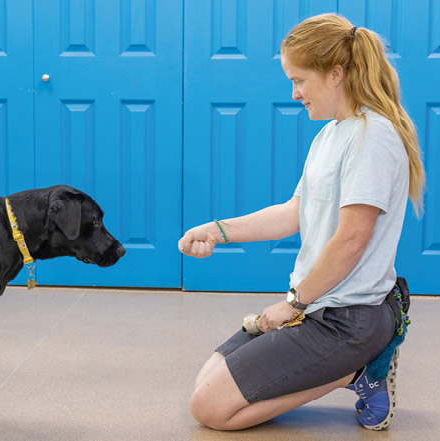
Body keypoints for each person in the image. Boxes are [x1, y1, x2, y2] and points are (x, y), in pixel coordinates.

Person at [178, 13, 425, 431]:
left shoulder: (374, 137)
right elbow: (294, 212)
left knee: (210, 410)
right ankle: (343, 368)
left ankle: (359, 370)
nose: (294, 94)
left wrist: (292, 304)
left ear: (335, 74)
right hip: (317, 307)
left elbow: (351, 240)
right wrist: (217, 231)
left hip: (349, 319)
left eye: (299, 81)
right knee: (204, 384)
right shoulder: (330, 135)